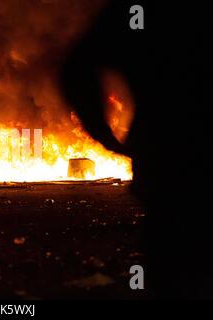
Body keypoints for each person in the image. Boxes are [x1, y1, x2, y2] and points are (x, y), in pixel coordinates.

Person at [61, 1, 213, 298]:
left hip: (166, 167)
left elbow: (77, 69)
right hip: (170, 168)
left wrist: (105, 136)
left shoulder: (143, 13)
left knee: (175, 265)